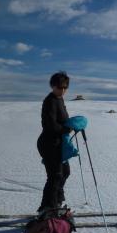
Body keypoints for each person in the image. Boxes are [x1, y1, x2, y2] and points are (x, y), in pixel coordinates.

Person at [37, 71, 72, 213]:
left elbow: (62, 120)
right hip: (49, 144)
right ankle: (47, 207)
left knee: (65, 172)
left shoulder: (59, 99)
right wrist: (66, 129)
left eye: (65, 87)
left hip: (58, 144)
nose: (62, 90)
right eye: (59, 87)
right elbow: (50, 125)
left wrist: (73, 125)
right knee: (55, 176)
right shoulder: (50, 101)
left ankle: (57, 201)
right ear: (53, 86)